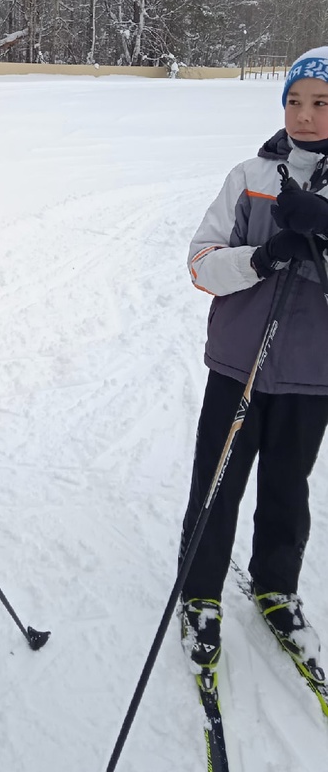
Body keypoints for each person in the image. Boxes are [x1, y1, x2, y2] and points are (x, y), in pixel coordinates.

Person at [179, 47, 328, 675]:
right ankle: (200, 591)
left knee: (287, 488)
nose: (305, 115)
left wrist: (322, 234)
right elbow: (201, 262)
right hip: (238, 364)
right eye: (294, 101)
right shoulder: (251, 176)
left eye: (320, 103)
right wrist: (263, 258)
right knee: (217, 481)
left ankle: (276, 584)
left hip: (311, 373)